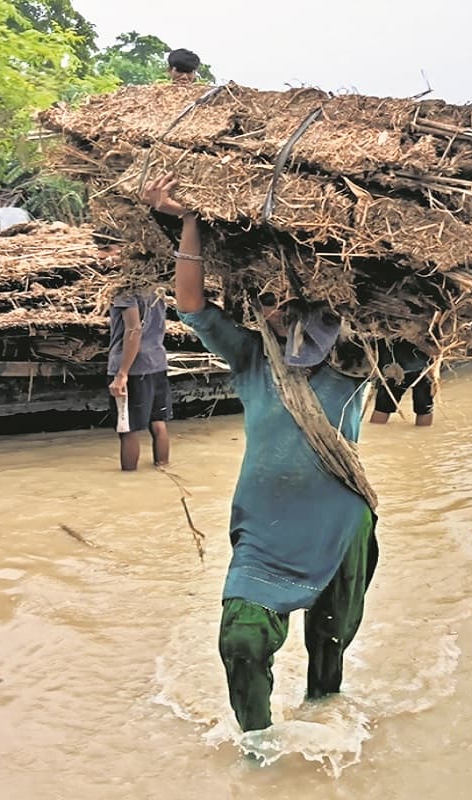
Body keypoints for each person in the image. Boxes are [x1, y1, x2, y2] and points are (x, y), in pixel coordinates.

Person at [144, 172, 378, 733]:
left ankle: (327, 728)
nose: (274, 310)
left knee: (330, 649)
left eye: (285, 299)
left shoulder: (358, 359)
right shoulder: (253, 356)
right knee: (243, 640)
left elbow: (425, 326)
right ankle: (259, 750)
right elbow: (192, 306)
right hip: (265, 530)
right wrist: (190, 221)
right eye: (265, 300)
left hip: (340, 525)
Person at [107, 290, 172, 469]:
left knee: (127, 428)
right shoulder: (156, 290)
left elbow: (134, 329)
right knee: (158, 423)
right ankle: (163, 468)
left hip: (133, 367)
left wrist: (122, 374)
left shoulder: (125, 293)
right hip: (157, 362)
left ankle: (128, 480)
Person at [370, 343, 434, 426]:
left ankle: (375, 435)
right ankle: (423, 435)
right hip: (402, 365)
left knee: (383, 407)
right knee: (424, 406)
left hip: (398, 364)